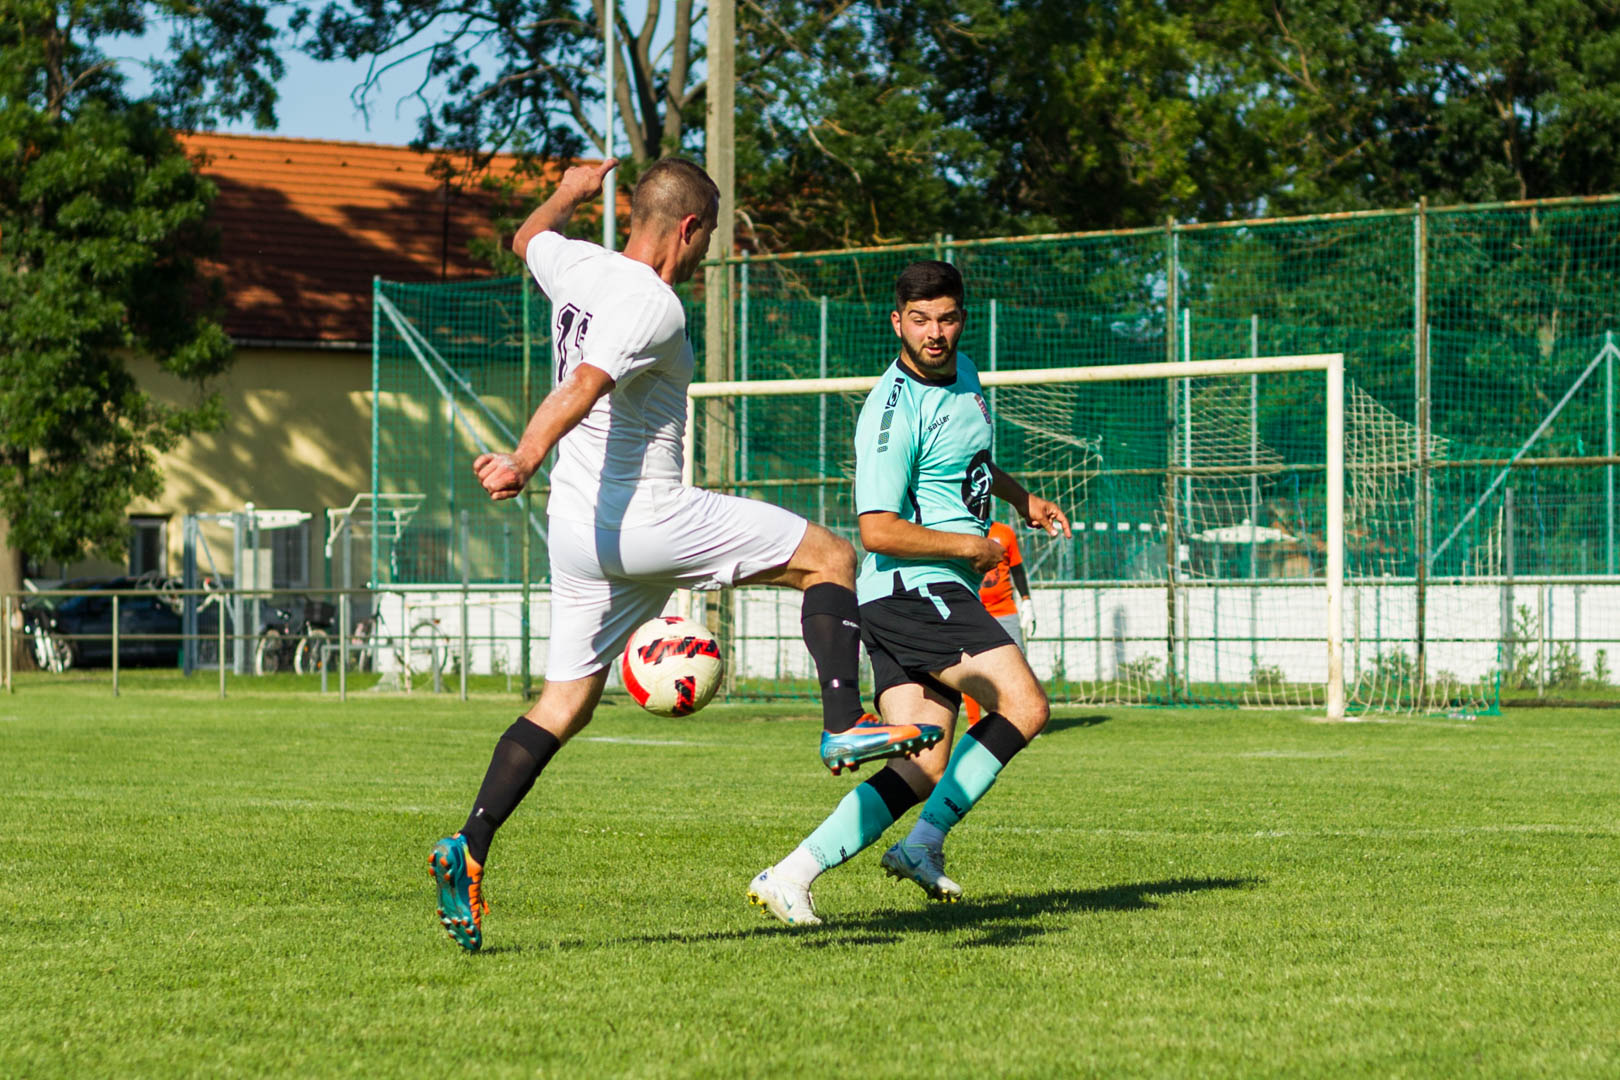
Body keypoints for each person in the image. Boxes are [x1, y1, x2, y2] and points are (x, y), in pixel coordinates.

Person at [429, 158, 942, 952]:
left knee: (563, 704)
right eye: (710, 240)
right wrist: (523, 457)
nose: (706, 256)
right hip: (646, 516)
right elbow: (585, 385)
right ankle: (844, 720)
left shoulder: (578, 265)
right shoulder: (651, 301)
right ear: (690, 229)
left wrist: (567, 191)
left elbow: (528, 237)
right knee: (830, 556)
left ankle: (469, 843)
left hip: (577, 529)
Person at [747, 260, 1071, 925]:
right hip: (913, 588)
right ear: (897, 322)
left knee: (924, 762)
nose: (935, 333)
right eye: (920, 320)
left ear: (962, 320)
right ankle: (924, 841)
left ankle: (791, 874)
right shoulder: (890, 412)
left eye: (946, 319)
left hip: (916, 593)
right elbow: (878, 530)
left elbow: (970, 459)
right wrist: (970, 548)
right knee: (1025, 705)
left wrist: (1023, 499)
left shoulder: (966, 372)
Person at [964, 519, 1034, 724]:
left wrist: (1026, 601)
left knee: (1017, 666)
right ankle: (974, 723)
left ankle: (1021, 719)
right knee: (971, 667)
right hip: (973, 610)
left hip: (1005, 610)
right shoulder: (961, 530)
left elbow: (1017, 569)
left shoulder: (1005, 532)